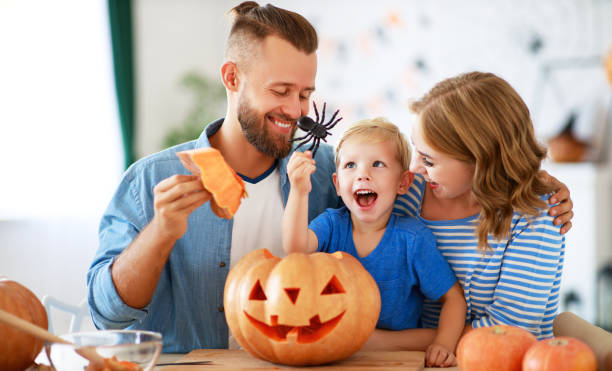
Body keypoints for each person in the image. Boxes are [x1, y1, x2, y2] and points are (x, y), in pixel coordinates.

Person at [87, 2, 573, 354]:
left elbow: (410, 168)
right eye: (280, 91)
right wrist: (161, 232)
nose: (296, 111)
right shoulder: (155, 179)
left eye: (306, 94)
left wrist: (533, 181)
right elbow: (107, 316)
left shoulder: (329, 171)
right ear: (232, 78)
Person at [394, 71, 566, 340]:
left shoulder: (535, 215)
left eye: (429, 161)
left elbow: (507, 330)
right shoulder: (408, 195)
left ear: (480, 161)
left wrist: (387, 343)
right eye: (415, 149)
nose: (414, 168)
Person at [282, 118, 466, 367]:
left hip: (395, 358)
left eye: (377, 164)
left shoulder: (412, 239)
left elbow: (453, 298)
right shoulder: (331, 225)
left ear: (403, 183)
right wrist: (299, 191)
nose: (362, 175)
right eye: (350, 165)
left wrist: (443, 345)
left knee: (438, 337)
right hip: (334, 356)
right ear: (337, 185)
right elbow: (295, 249)